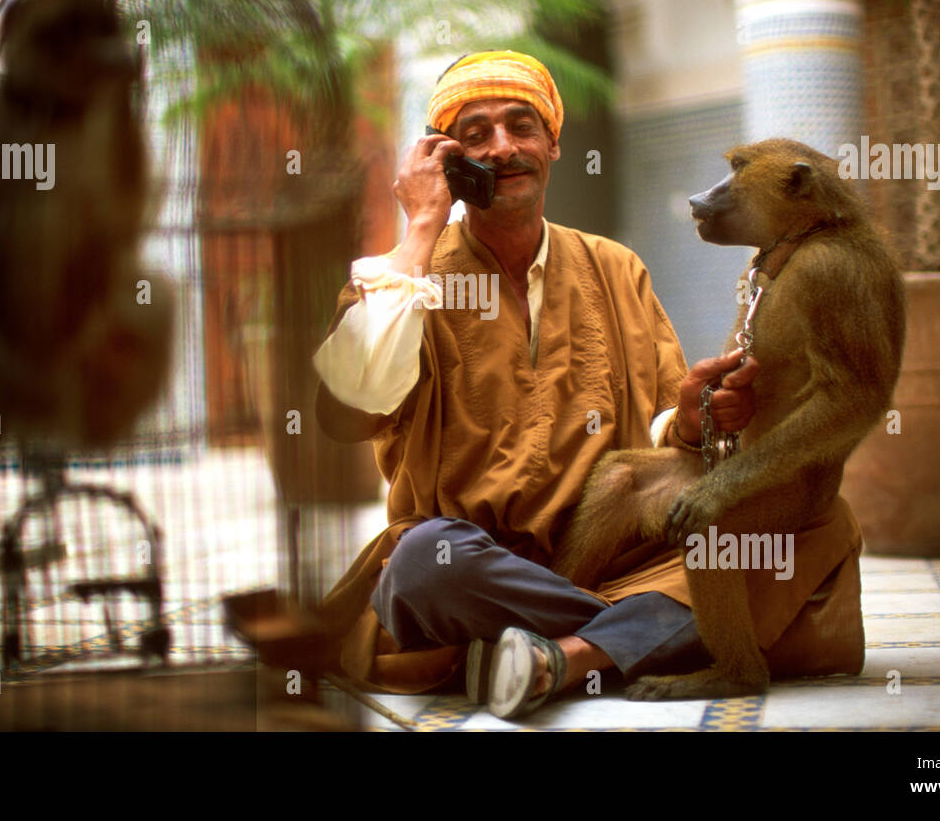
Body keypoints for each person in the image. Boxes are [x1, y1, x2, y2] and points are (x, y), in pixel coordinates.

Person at [312, 50, 864, 718]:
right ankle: (634, 636)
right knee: (423, 563)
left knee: (815, 522)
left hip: (620, 553)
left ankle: (563, 656)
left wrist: (691, 418)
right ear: (446, 160)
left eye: (522, 126)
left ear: (553, 144)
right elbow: (348, 411)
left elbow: (666, 434)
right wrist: (422, 228)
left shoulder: (612, 265)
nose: (504, 148)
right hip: (474, 565)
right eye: (476, 135)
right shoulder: (406, 276)